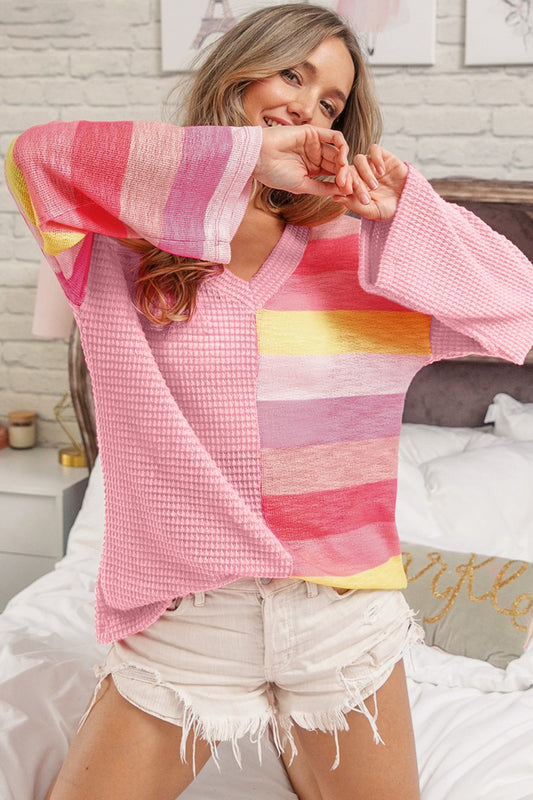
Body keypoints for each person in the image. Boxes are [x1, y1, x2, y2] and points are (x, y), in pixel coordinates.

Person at [6, 4, 533, 800]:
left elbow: (517, 306)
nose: (306, 107)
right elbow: (35, 157)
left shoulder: (362, 252)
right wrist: (252, 157)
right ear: (239, 73)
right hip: (188, 622)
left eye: (329, 103)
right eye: (292, 74)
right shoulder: (117, 245)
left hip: (341, 622)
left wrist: (410, 216)